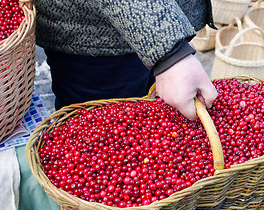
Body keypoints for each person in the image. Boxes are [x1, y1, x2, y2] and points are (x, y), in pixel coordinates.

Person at [35, 0, 218, 120]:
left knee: (152, 128)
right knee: (98, 141)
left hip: (166, 19)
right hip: (96, 36)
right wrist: (169, 51)